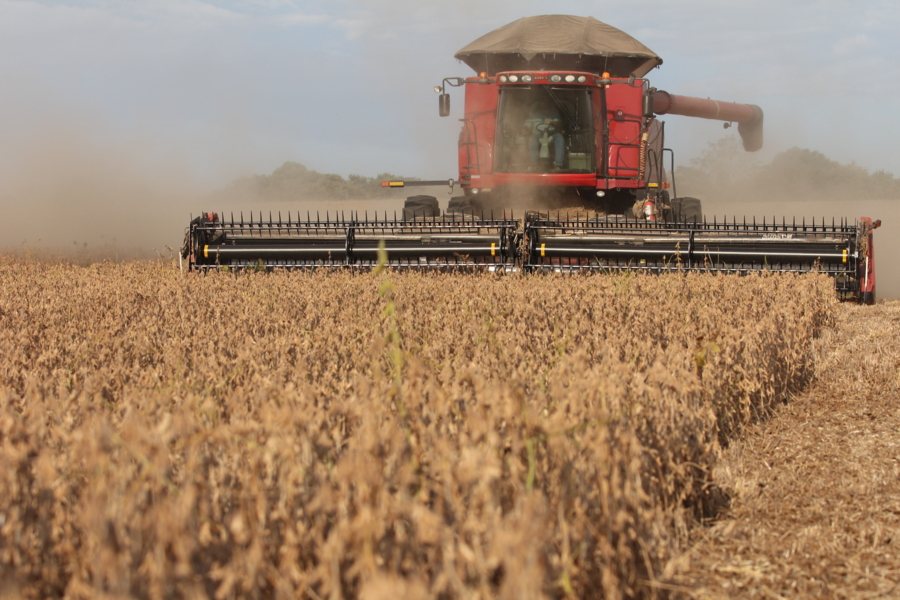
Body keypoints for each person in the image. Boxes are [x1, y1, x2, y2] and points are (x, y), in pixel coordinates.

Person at [525, 98, 565, 170]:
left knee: (560, 138)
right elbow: (528, 125)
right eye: (542, 100)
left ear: (548, 102)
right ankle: (534, 165)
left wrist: (551, 122)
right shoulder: (533, 113)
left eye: (546, 100)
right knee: (532, 139)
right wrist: (525, 129)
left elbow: (559, 123)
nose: (544, 102)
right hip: (537, 135)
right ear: (539, 102)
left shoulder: (554, 112)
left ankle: (558, 165)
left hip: (552, 134)